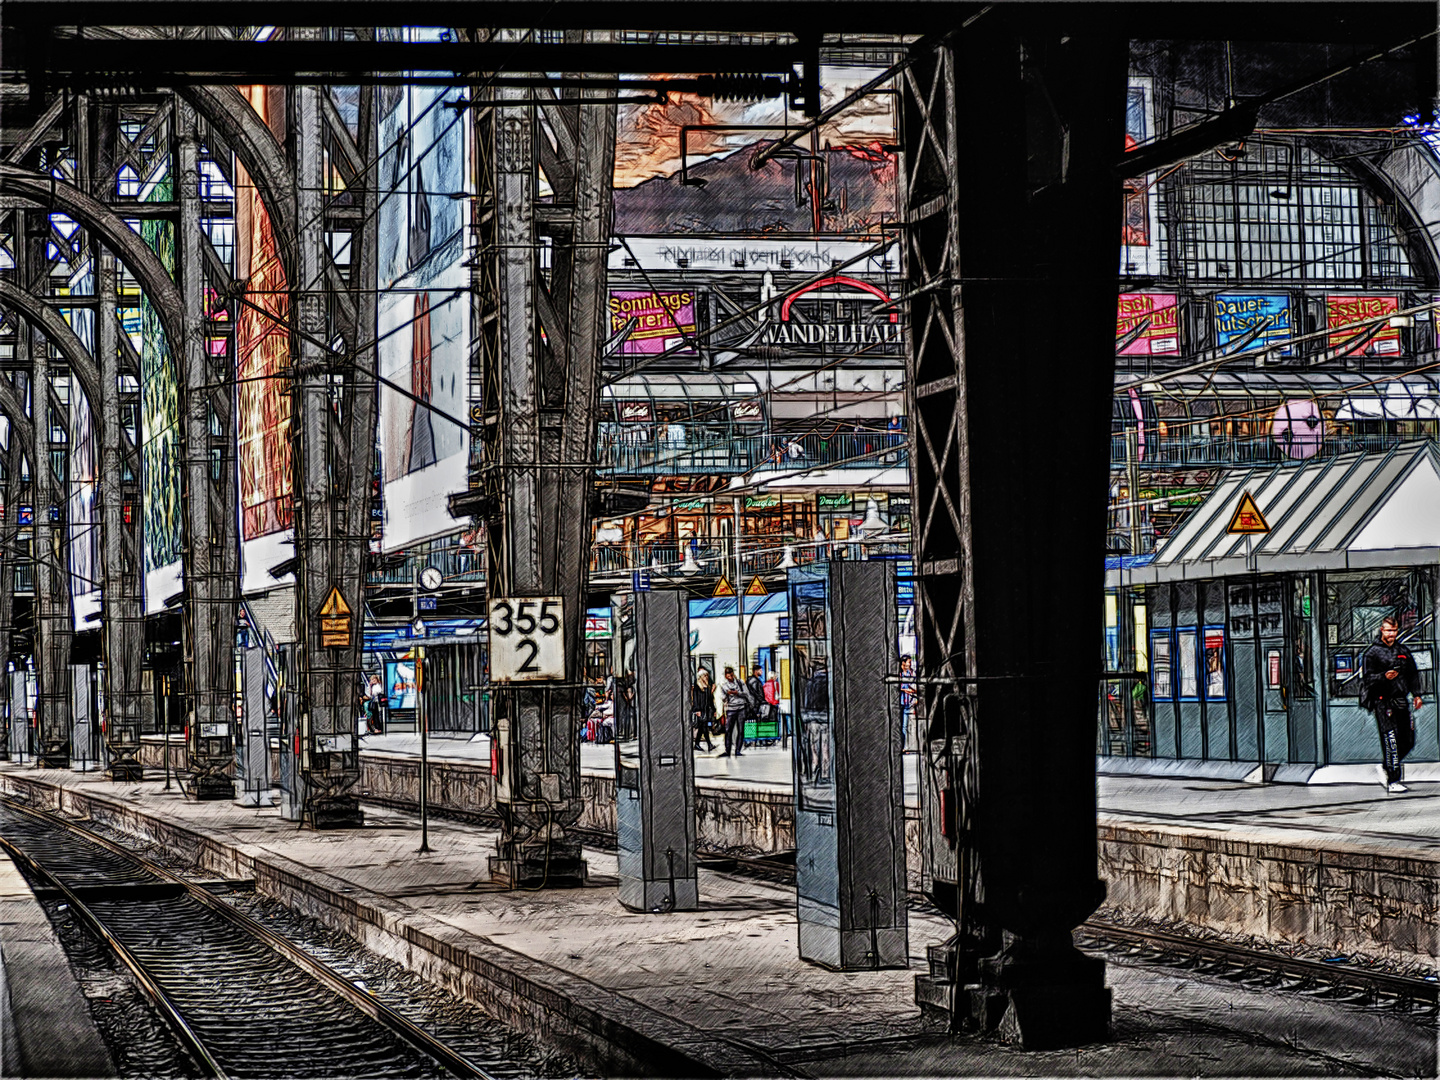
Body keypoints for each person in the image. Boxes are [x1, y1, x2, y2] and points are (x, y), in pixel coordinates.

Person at [1361, 615, 1423, 793]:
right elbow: (1366, 679)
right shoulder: (1372, 653)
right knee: (1391, 740)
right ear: (1382, 630)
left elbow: (1413, 674)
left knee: (1408, 739)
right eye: (1388, 630)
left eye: (1394, 630)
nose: (1391, 634)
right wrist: (1383, 676)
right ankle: (1393, 779)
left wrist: (1417, 694)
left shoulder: (1402, 650)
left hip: (1401, 699)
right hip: (1382, 701)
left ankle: (1386, 767)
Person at [721, 665, 749, 757]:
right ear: (725, 676)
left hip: (741, 708)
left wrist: (738, 693)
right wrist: (727, 694)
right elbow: (723, 698)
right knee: (728, 729)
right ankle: (727, 750)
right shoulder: (724, 686)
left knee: (741, 730)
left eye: (731, 675)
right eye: (728, 676)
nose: (730, 677)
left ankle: (738, 750)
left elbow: (746, 693)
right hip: (731, 709)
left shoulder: (740, 683)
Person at [692, 667, 717, 751]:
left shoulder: (708, 687)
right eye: (704, 676)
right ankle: (709, 744)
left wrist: (714, 710)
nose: (706, 677)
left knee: (702, 727)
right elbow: (695, 699)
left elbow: (710, 699)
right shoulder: (697, 686)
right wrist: (697, 709)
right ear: (701, 677)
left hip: (706, 709)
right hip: (700, 710)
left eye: (707, 675)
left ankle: (697, 744)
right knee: (704, 726)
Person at [745, 664, 766, 745]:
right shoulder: (755, 681)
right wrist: (762, 700)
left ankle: (750, 738)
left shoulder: (750, 680)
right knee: (755, 721)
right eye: (760, 670)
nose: (762, 672)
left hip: (751, 704)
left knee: (750, 721)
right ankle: (753, 739)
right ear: (756, 671)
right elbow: (757, 694)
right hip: (754, 704)